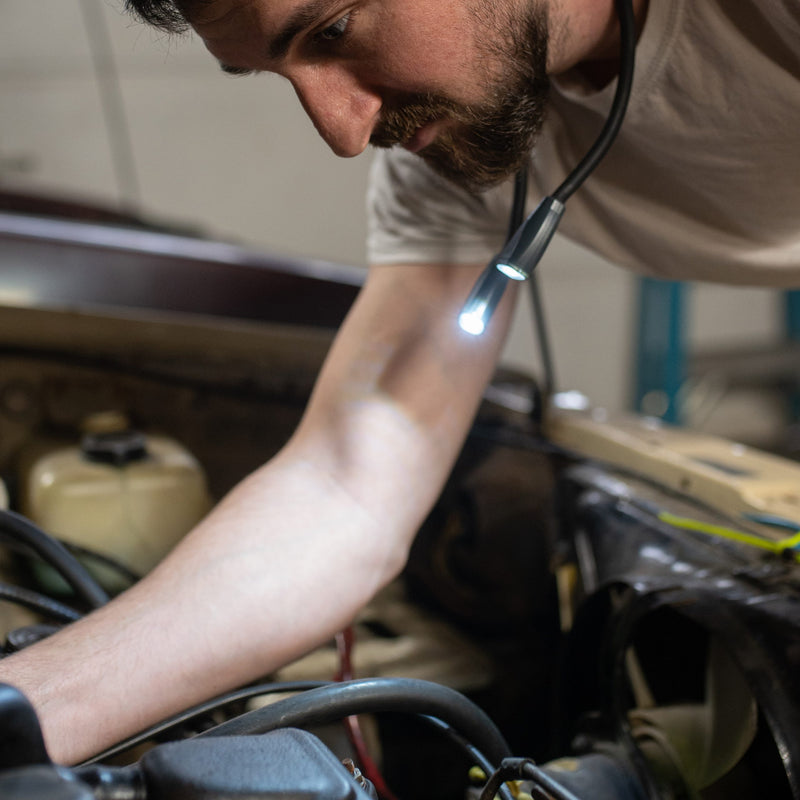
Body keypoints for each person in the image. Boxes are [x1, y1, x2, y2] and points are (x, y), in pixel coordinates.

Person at [1, 0, 798, 765]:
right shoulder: (448, 159)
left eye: (335, 27)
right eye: (281, 75)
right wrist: (26, 709)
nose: (345, 133)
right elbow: (344, 493)